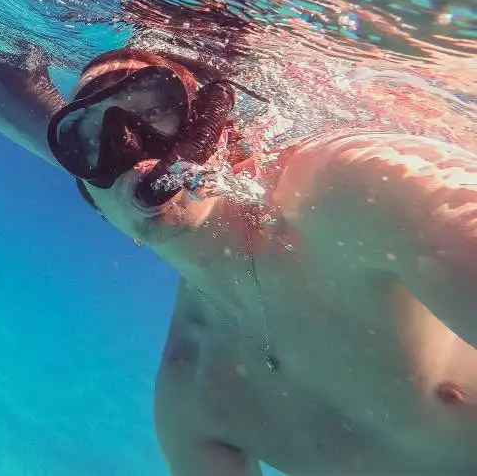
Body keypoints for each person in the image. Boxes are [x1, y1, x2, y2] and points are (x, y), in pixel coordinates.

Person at [46, 48, 477, 475]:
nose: (130, 150)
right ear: (98, 207)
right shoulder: (192, 398)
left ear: (220, 132)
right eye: (89, 142)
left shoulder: (344, 192)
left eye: (157, 110)